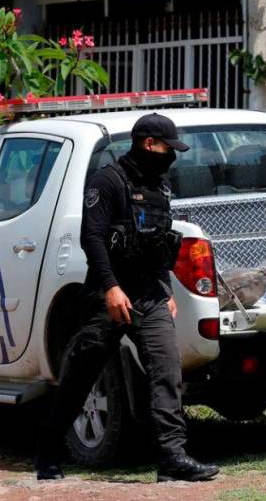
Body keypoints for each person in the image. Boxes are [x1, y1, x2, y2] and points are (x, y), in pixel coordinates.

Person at [35, 113, 220, 482]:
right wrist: (110, 288)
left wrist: (165, 289)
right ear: (149, 144)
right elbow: (93, 238)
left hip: (149, 295)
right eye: (169, 147)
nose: (173, 155)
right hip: (109, 294)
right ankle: (49, 453)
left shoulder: (160, 185)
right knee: (82, 373)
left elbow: (157, 242)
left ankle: (172, 458)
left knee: (166, 371)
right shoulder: (107, 182)